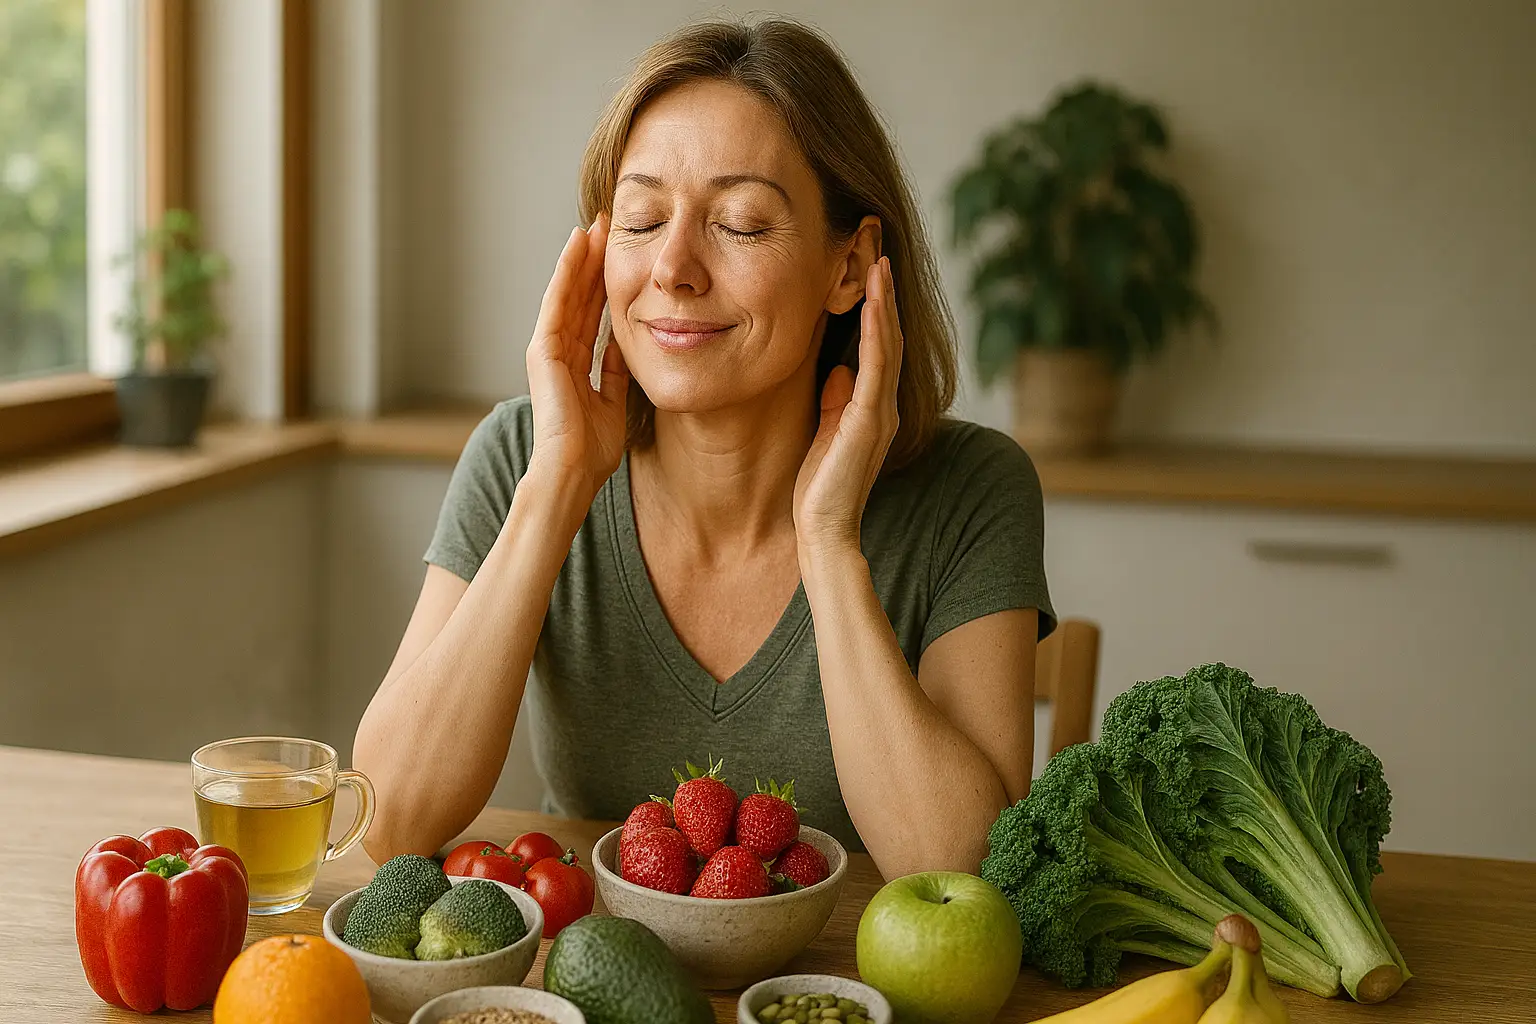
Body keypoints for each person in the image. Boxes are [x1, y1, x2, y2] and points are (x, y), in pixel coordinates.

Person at [354, 17, 1053, 880]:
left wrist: (829, 544)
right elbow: (389, 820)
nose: (674, 268)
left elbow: (962, 874)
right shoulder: (520, 457)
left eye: (743, 224)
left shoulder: (972, 488)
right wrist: (556, 486)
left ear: (849, 266)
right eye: (643, 220)